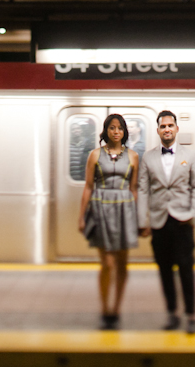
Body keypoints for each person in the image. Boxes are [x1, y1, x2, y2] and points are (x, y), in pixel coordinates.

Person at [138, 110, 195, 334]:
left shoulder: (190, 155)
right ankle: (172, 313)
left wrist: (194, 215)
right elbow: (143, 190)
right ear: (157, 131)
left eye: (170, 125)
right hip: (158, 222)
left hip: (183, 221)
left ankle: (192, 315)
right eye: (163, 126)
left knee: (186, 268)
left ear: (177, 129)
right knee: (164, 269)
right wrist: (142, 220)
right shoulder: (148, 157)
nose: (167, 129)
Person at [78, 114, 140, 330]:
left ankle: (116, 309)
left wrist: (138, 216)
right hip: (100, 206)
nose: (116, 132)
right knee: (107, 264)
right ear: (105, 131)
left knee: (122, 263)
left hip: (125, 208)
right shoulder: (95, 155)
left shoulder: (133, 156)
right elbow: (88, 186)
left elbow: (134, 188)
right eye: (112, 128)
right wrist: (82, 216)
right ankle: (104, 308)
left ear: (124, 132)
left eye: (120, 128)